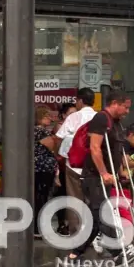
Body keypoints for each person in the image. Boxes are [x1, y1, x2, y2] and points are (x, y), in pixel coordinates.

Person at [67, 89, 134, 266]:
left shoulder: (116, 123)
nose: (127, 111)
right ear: (114, 103)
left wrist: (121, 171)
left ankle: (75, 254)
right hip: (94, 177)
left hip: (106, 178)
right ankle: (119, 251)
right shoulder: (101, 119)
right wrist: (104, 172)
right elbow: (95, 148)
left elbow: (116, 151)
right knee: (103, 213)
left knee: (96, 217)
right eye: (125, 107)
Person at [54, 88, 97, 235]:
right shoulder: (99, 118)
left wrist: (59, 156)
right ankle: (93, 232)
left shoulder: (73, 118)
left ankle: (77, 233)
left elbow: (58, 138)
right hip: (94, 165)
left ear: (80, 101)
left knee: (74, 199)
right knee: (92, 199)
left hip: (73, 165)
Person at [53, 103, 77, 236]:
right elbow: (58, 147)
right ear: (63, 115)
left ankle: (70, 223)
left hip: (73, 165)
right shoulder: (61, 127)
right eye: (71, 114)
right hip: (62, 165)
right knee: (62, 194)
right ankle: (62, 223)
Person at [33, 107, 58, 238]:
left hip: (40, 168)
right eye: (46, 116)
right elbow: (52, 145)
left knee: (39, 197)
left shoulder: (37, 131)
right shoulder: (40, 131)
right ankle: (38, 228)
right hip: (43, 169)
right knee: (41, 197)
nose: (50, 118)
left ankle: (37, 227)